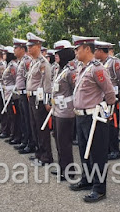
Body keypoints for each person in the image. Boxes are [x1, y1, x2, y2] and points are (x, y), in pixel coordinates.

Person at [69, 35, 115, 203]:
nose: (75, 52)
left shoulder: (97, 68)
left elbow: (110, 93)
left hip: (94, 118)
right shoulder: (83, 68)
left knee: (97, 153)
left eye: (78, 48)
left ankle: (99, 188)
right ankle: (87, 180)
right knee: (84, 152)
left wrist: (106, 112)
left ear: (87, 49)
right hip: (81, 116)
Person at [50, 40, 76, 181]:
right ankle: (62, 167)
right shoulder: (58, 69)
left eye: (58, 53)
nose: (56, 56)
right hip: (57, 109)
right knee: (58, 140)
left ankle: (69, 171)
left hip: (66, 111)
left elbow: (75, 90)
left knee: (64, 141)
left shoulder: (71, 71)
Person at [26, 32, 53, 166]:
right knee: (35, 127)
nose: (29, 49)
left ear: (38, 46)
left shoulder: (43, 63)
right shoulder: (34, 62)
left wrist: (47, 101)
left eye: (31, 46)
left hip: (39, 100)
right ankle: (39, 153)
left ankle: (46, 157)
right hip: (32, 98)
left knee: (42, 129)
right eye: (28, 46)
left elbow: (46, 84)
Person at [94, 41, 120, 160]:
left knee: (112, 124)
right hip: (101, 99)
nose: (94, 52)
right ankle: (106, 148)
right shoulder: (97, 64)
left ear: (101, 51)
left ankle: (115, 150)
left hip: (111, 97)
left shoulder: (114, 62)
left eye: (96, 50)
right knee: (103, 124)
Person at [13, 38, 36, 154]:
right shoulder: (21, 61)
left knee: (28, 120)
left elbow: (29, 78)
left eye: (16, 48)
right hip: (20, 94)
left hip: (26, 94)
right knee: (23, 120)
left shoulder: (27, 61)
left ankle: (31, 143)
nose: (14, 50)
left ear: (22, 49)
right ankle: (25, 141)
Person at [2, 46, 22, 145]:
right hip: (8, 94)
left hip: (13, 95)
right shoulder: (9, 65)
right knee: (10, 116)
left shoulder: (13, 66)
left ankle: (16, 136)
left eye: (5, 54)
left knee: (15, 117)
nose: (3, 56)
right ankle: (13, 135)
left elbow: (16, 80)